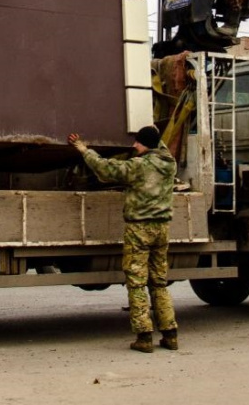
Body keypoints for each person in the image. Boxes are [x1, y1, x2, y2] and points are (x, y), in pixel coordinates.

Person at [67, 126, 179, 353]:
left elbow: (107, 169)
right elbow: (158, 142)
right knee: (159, 282)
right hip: (162, 229)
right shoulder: (169, 163)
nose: (134, 145)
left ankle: (144, 337)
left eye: (137, 142)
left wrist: (83, 149)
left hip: (140, 229)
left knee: (137, 282)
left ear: (146, 145)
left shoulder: (138, 167)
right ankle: (170, 334)